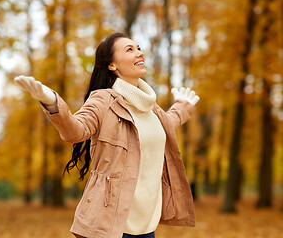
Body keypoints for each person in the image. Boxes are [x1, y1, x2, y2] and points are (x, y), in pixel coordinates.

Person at [14, 32, 200, 238]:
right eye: (130, 50)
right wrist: (52, 102)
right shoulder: (103, 100)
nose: (139, 53)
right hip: (110, 227)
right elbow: (76, 130)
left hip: (147, 229)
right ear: (112, 65)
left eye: (138, 48)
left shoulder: (151, 108)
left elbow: (166, 124)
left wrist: (183, 107)